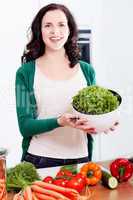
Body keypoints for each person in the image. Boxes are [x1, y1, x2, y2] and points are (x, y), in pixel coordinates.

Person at [15, 3, 116, 169]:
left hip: (81, 159)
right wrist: (59, 121)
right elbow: (25, 127)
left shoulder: (87, 70)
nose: (56, 31)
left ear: (70, 29)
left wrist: (104, 122)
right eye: (48, 25)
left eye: (61, 24)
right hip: (40, 160)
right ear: (40, 31)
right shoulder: (25, 73)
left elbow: (91, 116)